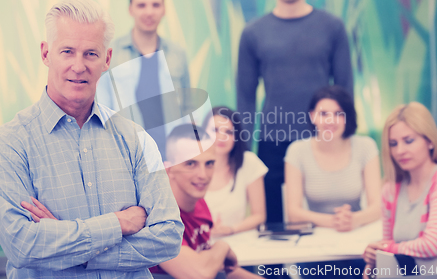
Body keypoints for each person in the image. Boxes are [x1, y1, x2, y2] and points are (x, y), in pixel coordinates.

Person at [0, 0, 184, 278]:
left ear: (107, 59)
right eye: (67, 51)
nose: (79, 66)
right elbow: (23, 247)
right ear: (45, 53)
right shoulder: (7, 145)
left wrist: (72, 250)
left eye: (91, 53)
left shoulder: (136, 139)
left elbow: (169, 237)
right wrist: (118, 223)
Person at [236, 0, 353, 223]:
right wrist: (242, 149)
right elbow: (245, 95)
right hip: (273, 139)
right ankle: (276, 269)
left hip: (322, 137)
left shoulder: (332, 27)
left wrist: (343, 135)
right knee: (274, 222)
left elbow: (344, 89)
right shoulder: (253, 32)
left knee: (326, 218)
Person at [363, 102, 437, 278]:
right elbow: (389, 245)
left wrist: (385, 249)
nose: (400, 151)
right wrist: (374, 258)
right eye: (393, 143)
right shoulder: (390, 189)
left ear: (430, 141)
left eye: (409, 141)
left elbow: (431, 246)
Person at [150, 124, 262, 279]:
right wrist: (222, 247)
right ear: (169, 169)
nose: (203, 175)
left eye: (209, 163)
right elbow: (200, 274)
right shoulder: (157, 216)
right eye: (190, 164)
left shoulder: (199, 202)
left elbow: (216, 268)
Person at [97, 0, 192, 160]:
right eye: (141, 5)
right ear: (130, 10)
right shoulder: (111, 54)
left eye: (156, 5)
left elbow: (187, 108)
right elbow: (102, 108)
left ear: (164, 9)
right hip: (127, 155)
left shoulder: (177, 54)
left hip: (173, 157)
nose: (149, 12)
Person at [284, 86, 381, 231]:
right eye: (323, 114)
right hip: (315, 236)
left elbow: (378, 207)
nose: (331, 120)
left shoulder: (366, 146)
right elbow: (293, 214)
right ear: (312, 116)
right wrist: (335, 222)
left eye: (338, 114)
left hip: (355, 231)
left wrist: (354, 220)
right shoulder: (297, 151)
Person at [202, 106, 268, 236]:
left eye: (229, 132)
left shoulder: (249, 162)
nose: (221, 136)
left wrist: (231, 229)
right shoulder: (188, 165)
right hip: (199, 245)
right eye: (215, 130)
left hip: (239, 241)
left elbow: (259, 216)